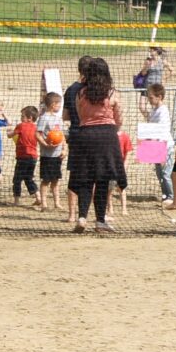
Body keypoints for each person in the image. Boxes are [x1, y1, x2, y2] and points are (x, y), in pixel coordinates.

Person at [71, 58, 126, 233]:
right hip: (106, 136)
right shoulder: (112, 94)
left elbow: (80, 117)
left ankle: (81, 217)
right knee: (103, 178)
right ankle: (100, 221)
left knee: (85, 178)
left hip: (85, 136)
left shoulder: (81, 93)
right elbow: (119, 120)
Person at [62, 55, 93, 223]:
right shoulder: (95, 89)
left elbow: (65, 116)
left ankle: (72, 214)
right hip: (92, 135)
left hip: (75, 135)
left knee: (74, 175)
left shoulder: (71, 89)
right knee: (93, 175)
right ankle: (89, 214)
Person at [142, 82, 175, 204]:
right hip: (155, 145)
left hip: (164, 145)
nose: (149, 100)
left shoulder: (163, 111)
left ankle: (171, 196)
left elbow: (162, 130)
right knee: (159, 173)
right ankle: (165, 194)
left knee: (166, 173)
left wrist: (161, 148)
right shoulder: (154, 111)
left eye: (151, 98)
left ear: (159, 97)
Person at [36, 92, 66, 212]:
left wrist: (65, 149)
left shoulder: (58, 119)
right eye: (59, 104)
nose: (60, 106)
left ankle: (57, 202)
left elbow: (62, 135)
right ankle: (44, 204)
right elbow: (37, 134)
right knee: (46, 180)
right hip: (47, 155)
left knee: (56, 180)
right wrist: (45, 144)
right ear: (53, 104)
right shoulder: (43, 118)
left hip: (57, 155)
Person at [8, 105, 40, 207]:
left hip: (23, 156)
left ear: (30, 118)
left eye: (23, 116)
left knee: (17, 179)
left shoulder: (21, 125)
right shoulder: (36, 128)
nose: (21, 118)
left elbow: (11, 135)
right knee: (29, 178)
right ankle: (38, 196)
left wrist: (8, 131)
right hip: (33, 157)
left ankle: (16, 200)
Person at [137, 46, 174, 116]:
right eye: (150, 51)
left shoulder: (162, 61)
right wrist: (146, 67)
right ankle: (149, 119)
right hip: (146, 87)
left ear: (156, 51)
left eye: (152, 51)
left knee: (155, 107)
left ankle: (154, 122)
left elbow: (172, 70)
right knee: (142, 107)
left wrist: (164, 79)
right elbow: (143, 73)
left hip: (156, 89)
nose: (150, 52)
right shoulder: (148, 61)